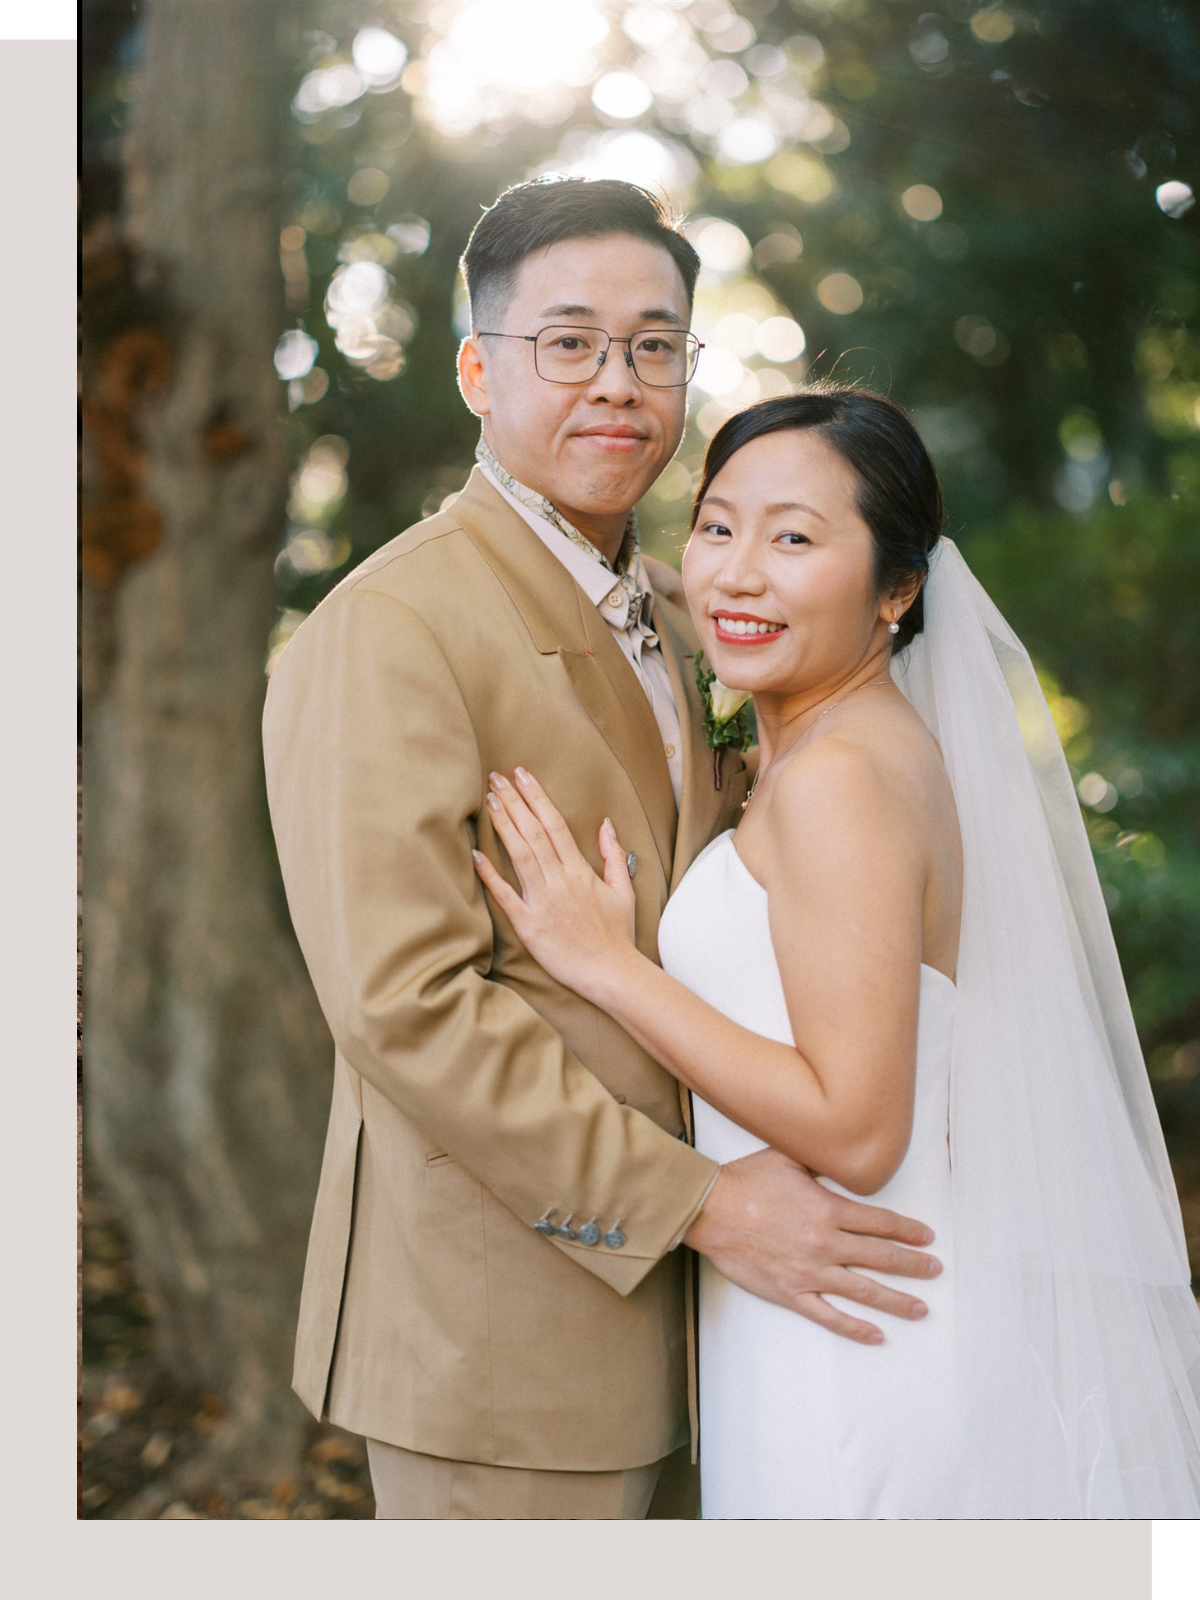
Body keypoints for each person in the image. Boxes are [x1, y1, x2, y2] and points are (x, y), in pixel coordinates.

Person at [262, 180, 940, 1521]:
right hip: (505, 1346)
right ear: (476, 368)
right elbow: (405, 1007)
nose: (616, 384)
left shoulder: (691, 615)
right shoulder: (391, 628)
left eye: (652, 346)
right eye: (567, 342)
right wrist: (697, 1204)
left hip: (722, 1340)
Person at [475, 385, 1200, 1518]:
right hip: (839, 1297)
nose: (739, 572)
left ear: (898, 589)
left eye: (797, 538)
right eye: (719, 525)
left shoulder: (842, 781)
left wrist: (609, 965)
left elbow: (859, 1128)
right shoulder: (851, 744)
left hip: (858, 1333)